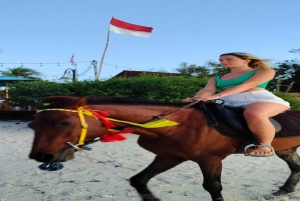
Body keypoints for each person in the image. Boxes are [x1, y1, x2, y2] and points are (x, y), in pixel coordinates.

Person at [183, 52, 290, 157]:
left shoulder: (265, 71)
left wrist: (218, 95)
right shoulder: (215, 78)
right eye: (221, 60)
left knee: (254, 113)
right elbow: (207, 90)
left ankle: (265, 145)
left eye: (229, 59)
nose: (223, 62)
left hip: (258, 99)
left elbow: (248, 85)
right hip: (227, 101)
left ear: (247, 60)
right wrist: (197, 98)